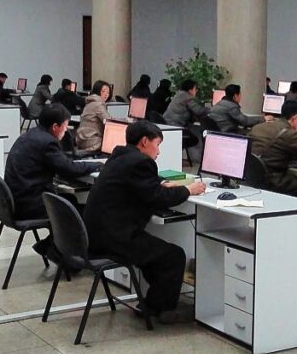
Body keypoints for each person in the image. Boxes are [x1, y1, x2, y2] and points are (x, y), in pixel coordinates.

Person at [84, 121, 207, 324]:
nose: (158, 152)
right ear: (144, 142)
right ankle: (163, 309)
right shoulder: (140, 162)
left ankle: (151, 304)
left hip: (99, 233)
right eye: (157, 144)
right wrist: (188, 190)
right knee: (173, 256)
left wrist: (160, 183)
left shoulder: (120, 156)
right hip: (114, 239)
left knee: (156, 252)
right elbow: (158, 198)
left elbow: (142, 184)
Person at [5, 104, 102, 220]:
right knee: (82, 211)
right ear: (55, 127)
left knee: (71, 199)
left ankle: (55, 238)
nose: (66, 130)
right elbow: (69, 169)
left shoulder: (30, 135)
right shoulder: (47, 143)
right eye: (65, 126)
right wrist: (97, 165)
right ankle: (60, 238)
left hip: (18, 199)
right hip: (30, 205)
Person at [76, 80, 112, 151]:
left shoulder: (90, 102)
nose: (106, 94)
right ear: (97, 91)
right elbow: (109, 121)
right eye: (103, 91)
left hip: (82, 139)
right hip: (92, 141)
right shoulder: (98, 105)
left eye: (108, 92)